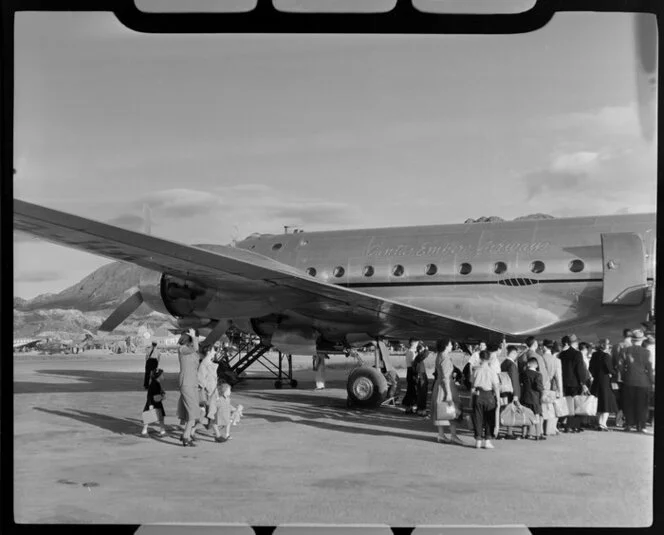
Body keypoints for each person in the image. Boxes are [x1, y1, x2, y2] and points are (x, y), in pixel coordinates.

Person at [431, 338, 464, 445]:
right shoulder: (445, 358)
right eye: (450, 344)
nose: (452, 346)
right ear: (445, 346)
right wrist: (449, 393)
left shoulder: (439, 355)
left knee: (441, 409)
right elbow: (445, 377)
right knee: (452, 409)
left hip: (439, 385)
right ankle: (453, 435)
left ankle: (441, 434)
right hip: (446, 386)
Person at [621, 329, 654, 433]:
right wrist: (652, 381)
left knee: (629, 404)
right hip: (643, 382)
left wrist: (624, 376)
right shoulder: (647, 352)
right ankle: (641, 426)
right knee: (642, 405)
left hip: (629, 380)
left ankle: (628, 424)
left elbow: (620, 366)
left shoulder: (625, 351)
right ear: (641, 340)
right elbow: (649, 369)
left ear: (632, 340)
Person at [558, 334, 589, 433]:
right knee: (576, 405)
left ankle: (567, 424)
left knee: (567, 404)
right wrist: (583, 383)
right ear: (575, 343)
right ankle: (572, 425)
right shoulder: (577, 354)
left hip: (565, 382)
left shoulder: (562, 354)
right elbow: (579, 370)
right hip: (575, 383)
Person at [471, 350, 501, 449]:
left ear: (480, 358)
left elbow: (472, 385)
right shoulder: (492, 371)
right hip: (489, 395)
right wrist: (498, 398)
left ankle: (478, 440)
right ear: (489, 359)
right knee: (489, 418)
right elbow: (496, 386)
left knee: (477, 418)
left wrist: (472, 398)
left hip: (478, 394)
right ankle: (487, 440)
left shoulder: (476, 370)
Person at [177, 328, 200, 447]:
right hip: (186, 383)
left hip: (194, 384)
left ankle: (188, 434)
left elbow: (196, 351)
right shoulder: (182, 349)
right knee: (192, 412)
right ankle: (186, 436)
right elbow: (195, 348)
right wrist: (194, 336)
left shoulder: (192, 351)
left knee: (194, 412)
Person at [589, 338, 618, 431]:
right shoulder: (606, 356)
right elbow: (609, 369)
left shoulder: (594, 355)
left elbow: (590, 368)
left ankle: (598, 423)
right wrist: (615, 372)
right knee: (607, 403)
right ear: (604, 345)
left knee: (598, 402)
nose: (609, 346)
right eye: (608, 344)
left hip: (596, 380)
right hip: (605, 381)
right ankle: (603, 424)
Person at [498, 344, 522, 439]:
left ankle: (500, 429)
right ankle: (509, 432)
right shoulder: (512, 365)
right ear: (513, 353)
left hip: (503, 390)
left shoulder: (504, 363)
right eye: (516, 353)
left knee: (503, 409)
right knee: (510, 411)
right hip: (510, 391)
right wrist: (516, 394)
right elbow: (514, 381)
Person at [612, 329, 633, 427]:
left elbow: (612, 362)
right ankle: (628, 420)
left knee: (619, 399)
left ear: (623, 335)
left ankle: (618, 420)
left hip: (618, 376)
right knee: (628, 398)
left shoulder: (616, 346)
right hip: (629, 376)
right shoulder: (633, 346)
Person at [520, 357, 545, 440]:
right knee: (536, 415)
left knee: (525, 415)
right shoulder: (538, 375)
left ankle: (524, 433)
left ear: (528, 364)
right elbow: (539, 387)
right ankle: (537, 434)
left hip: (525, 397)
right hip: (535, 398)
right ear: (536, 365)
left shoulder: (523, 373)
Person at [542, 339, 563, 436]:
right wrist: (561, 391)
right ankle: (549, 430)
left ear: (544, 346)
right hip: (550, 386)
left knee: (541, 408)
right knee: (551, 408)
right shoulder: (556, 360)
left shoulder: (540, 358)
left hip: (539, 385)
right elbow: (558, 377)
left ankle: (540, 429)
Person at [141, 368, 167, 437]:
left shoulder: (155, 383)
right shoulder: (155, 384)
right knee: (149, 417)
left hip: (154, 403)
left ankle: (162, 431)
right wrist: (162, 396)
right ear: (158, 376)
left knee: (159, 417)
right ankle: (145, 431)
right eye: (162, 375)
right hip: (153, 403)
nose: (163, 376)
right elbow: (155, 397)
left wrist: (161, 393)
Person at [412, 343, 431, 416]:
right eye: (422, 350)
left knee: (420, 394)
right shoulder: (419, 357)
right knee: (422, 394)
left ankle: (420, 409)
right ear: (420, 350)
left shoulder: (417, 357)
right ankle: (422, 411)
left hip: (420, 376)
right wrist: (426, 348)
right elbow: (425, 354)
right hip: (421, 376)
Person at [402, 338, 419, 414]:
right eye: (417, 343)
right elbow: (413, 362)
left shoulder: (408, 351)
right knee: (413, 389)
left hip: (409, 371)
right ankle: (410, 407)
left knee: (410, 389)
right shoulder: (412, 352)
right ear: (414, 343)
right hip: (412, 371)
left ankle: (409, 408)